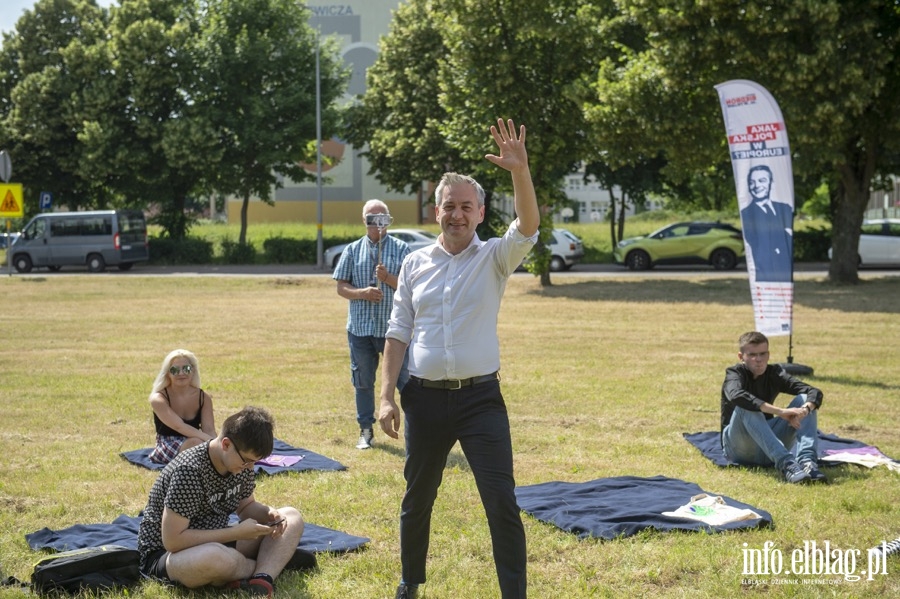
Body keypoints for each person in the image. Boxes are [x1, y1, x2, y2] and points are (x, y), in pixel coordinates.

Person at [378, 118, 539, 599]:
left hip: (480, 402)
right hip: (423, 400)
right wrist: (385, 396)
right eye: (450, 206)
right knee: (417, 499)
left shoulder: (494, 257)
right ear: (437, 210)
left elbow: (528, 225)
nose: (457, 215)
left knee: (501, 503)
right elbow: (398, 330)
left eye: (467, 207)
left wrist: (520, 169)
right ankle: (410, 583)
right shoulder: (414, 263)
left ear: (481, 213)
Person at [137, 406, 316, 596]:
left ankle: (262, 578)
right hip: (168, 556)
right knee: (214, 558)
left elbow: (246, 507)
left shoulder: (240, 464)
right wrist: (234, 532)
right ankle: (271, 563)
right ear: (226, 444)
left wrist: (269, 513)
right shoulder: (189, 470)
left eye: (254, 462)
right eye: (247, 461)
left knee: (291, 516)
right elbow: (173, 541)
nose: (249, 468)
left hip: (220, 541)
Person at [334, 199, 412, 450]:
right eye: (372, 219)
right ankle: (366, 430)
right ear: (364, 220)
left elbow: (412, 288)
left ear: (389, 220)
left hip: (394, 330)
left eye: (382, 218)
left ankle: (414, 431)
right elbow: (341, 287)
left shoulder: (402, 249)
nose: (377, 224)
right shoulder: (352, 250)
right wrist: (362, 293)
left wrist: (387, 278)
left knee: (406, 382)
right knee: (363, 381)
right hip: (361, 330)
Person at [721, 331, 826, 484]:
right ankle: (787, 464)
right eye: (752, 355)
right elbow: (737, 395)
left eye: (762, 354)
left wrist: (804, 410)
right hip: (740, 448)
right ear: (741, 357)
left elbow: (813, 392)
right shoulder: (734, 373)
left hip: (768, 446)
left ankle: (807, 463)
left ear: (768, 355)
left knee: (804, 399)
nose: (758, 360)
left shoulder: (774, 373)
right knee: (746, 405)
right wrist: (780, 412)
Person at [148, 349, 216, 464]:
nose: (181, 373)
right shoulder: (158, 399)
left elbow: (209, 429)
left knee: (202, 445)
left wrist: (218, 445)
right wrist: (212, 443)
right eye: (174, 370)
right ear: (167, 374)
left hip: (197, 439)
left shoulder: (203, 397)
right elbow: (180, 427)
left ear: (193, 371)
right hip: (167, 443)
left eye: (186, 369)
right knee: (197, 444)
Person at [739, 165, 794, 283]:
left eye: (762, 181)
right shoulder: (746, 214)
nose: (757, 186)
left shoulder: (785, 208)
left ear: (771, 183)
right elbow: (755, 241)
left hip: (786, 272)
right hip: (764, 274)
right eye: (752, 182)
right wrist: (783, 232)